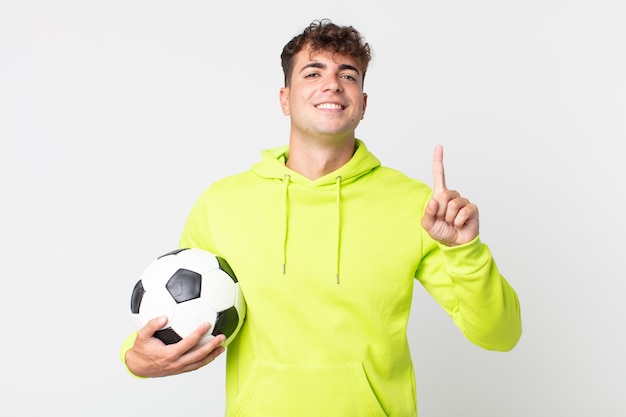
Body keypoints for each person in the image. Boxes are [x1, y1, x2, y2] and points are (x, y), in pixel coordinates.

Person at [120, 18, 522, 416]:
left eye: (348, 75)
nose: (332, 84)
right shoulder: (221, 203)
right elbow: (176, 313)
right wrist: (135, 358)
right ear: (285, 97)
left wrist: (465, 250)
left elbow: (499, 334)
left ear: (362, 103)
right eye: (313, 72)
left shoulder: (416, 205)